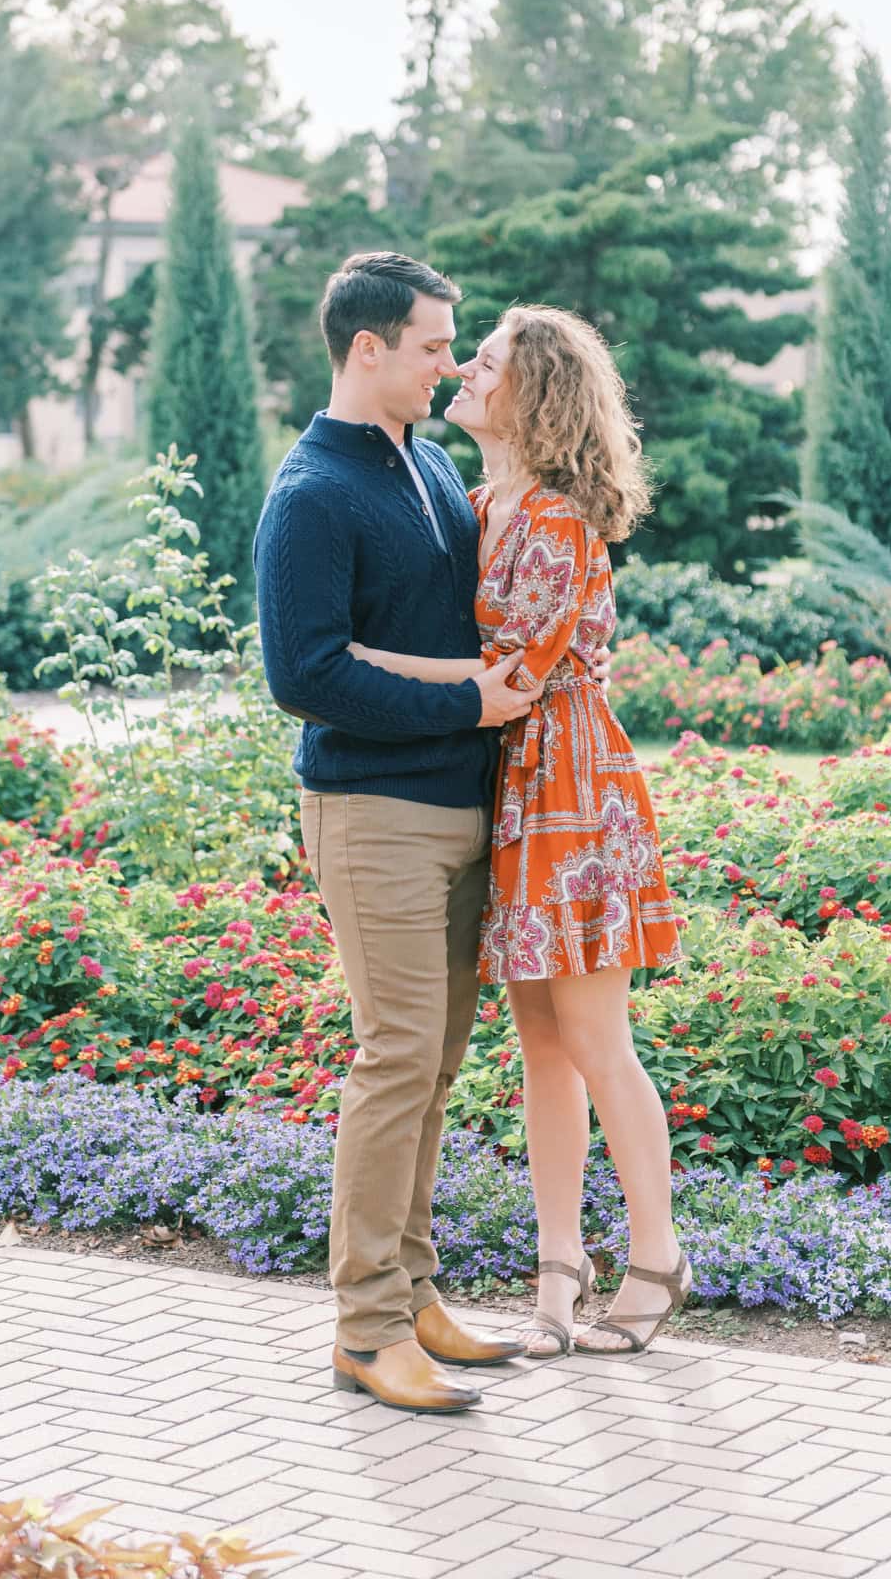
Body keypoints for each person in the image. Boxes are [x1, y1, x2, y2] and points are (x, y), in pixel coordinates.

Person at [254, 253, 610, 1413]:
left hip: (464, 809)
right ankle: (363, 1328)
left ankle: (411, 1294)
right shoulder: (312, 491)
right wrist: (465, 696)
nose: (449, 362)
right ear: (367, 349)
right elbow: (301, 674)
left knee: (437, 1064)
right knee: (395, 1056)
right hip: (373, 812)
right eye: (428, 344)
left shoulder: (430, 463)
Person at [349, 305, 689, 1359]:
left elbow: (512, 678)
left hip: (570, 784)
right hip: (515, 784)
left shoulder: (551, 522)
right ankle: (556, 1270)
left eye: (481, 360)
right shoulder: (481, 500)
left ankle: (656, 1256)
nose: (458, 367)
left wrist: (345, 661)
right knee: (540, 1044)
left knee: (593, 1038)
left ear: (525, 395)